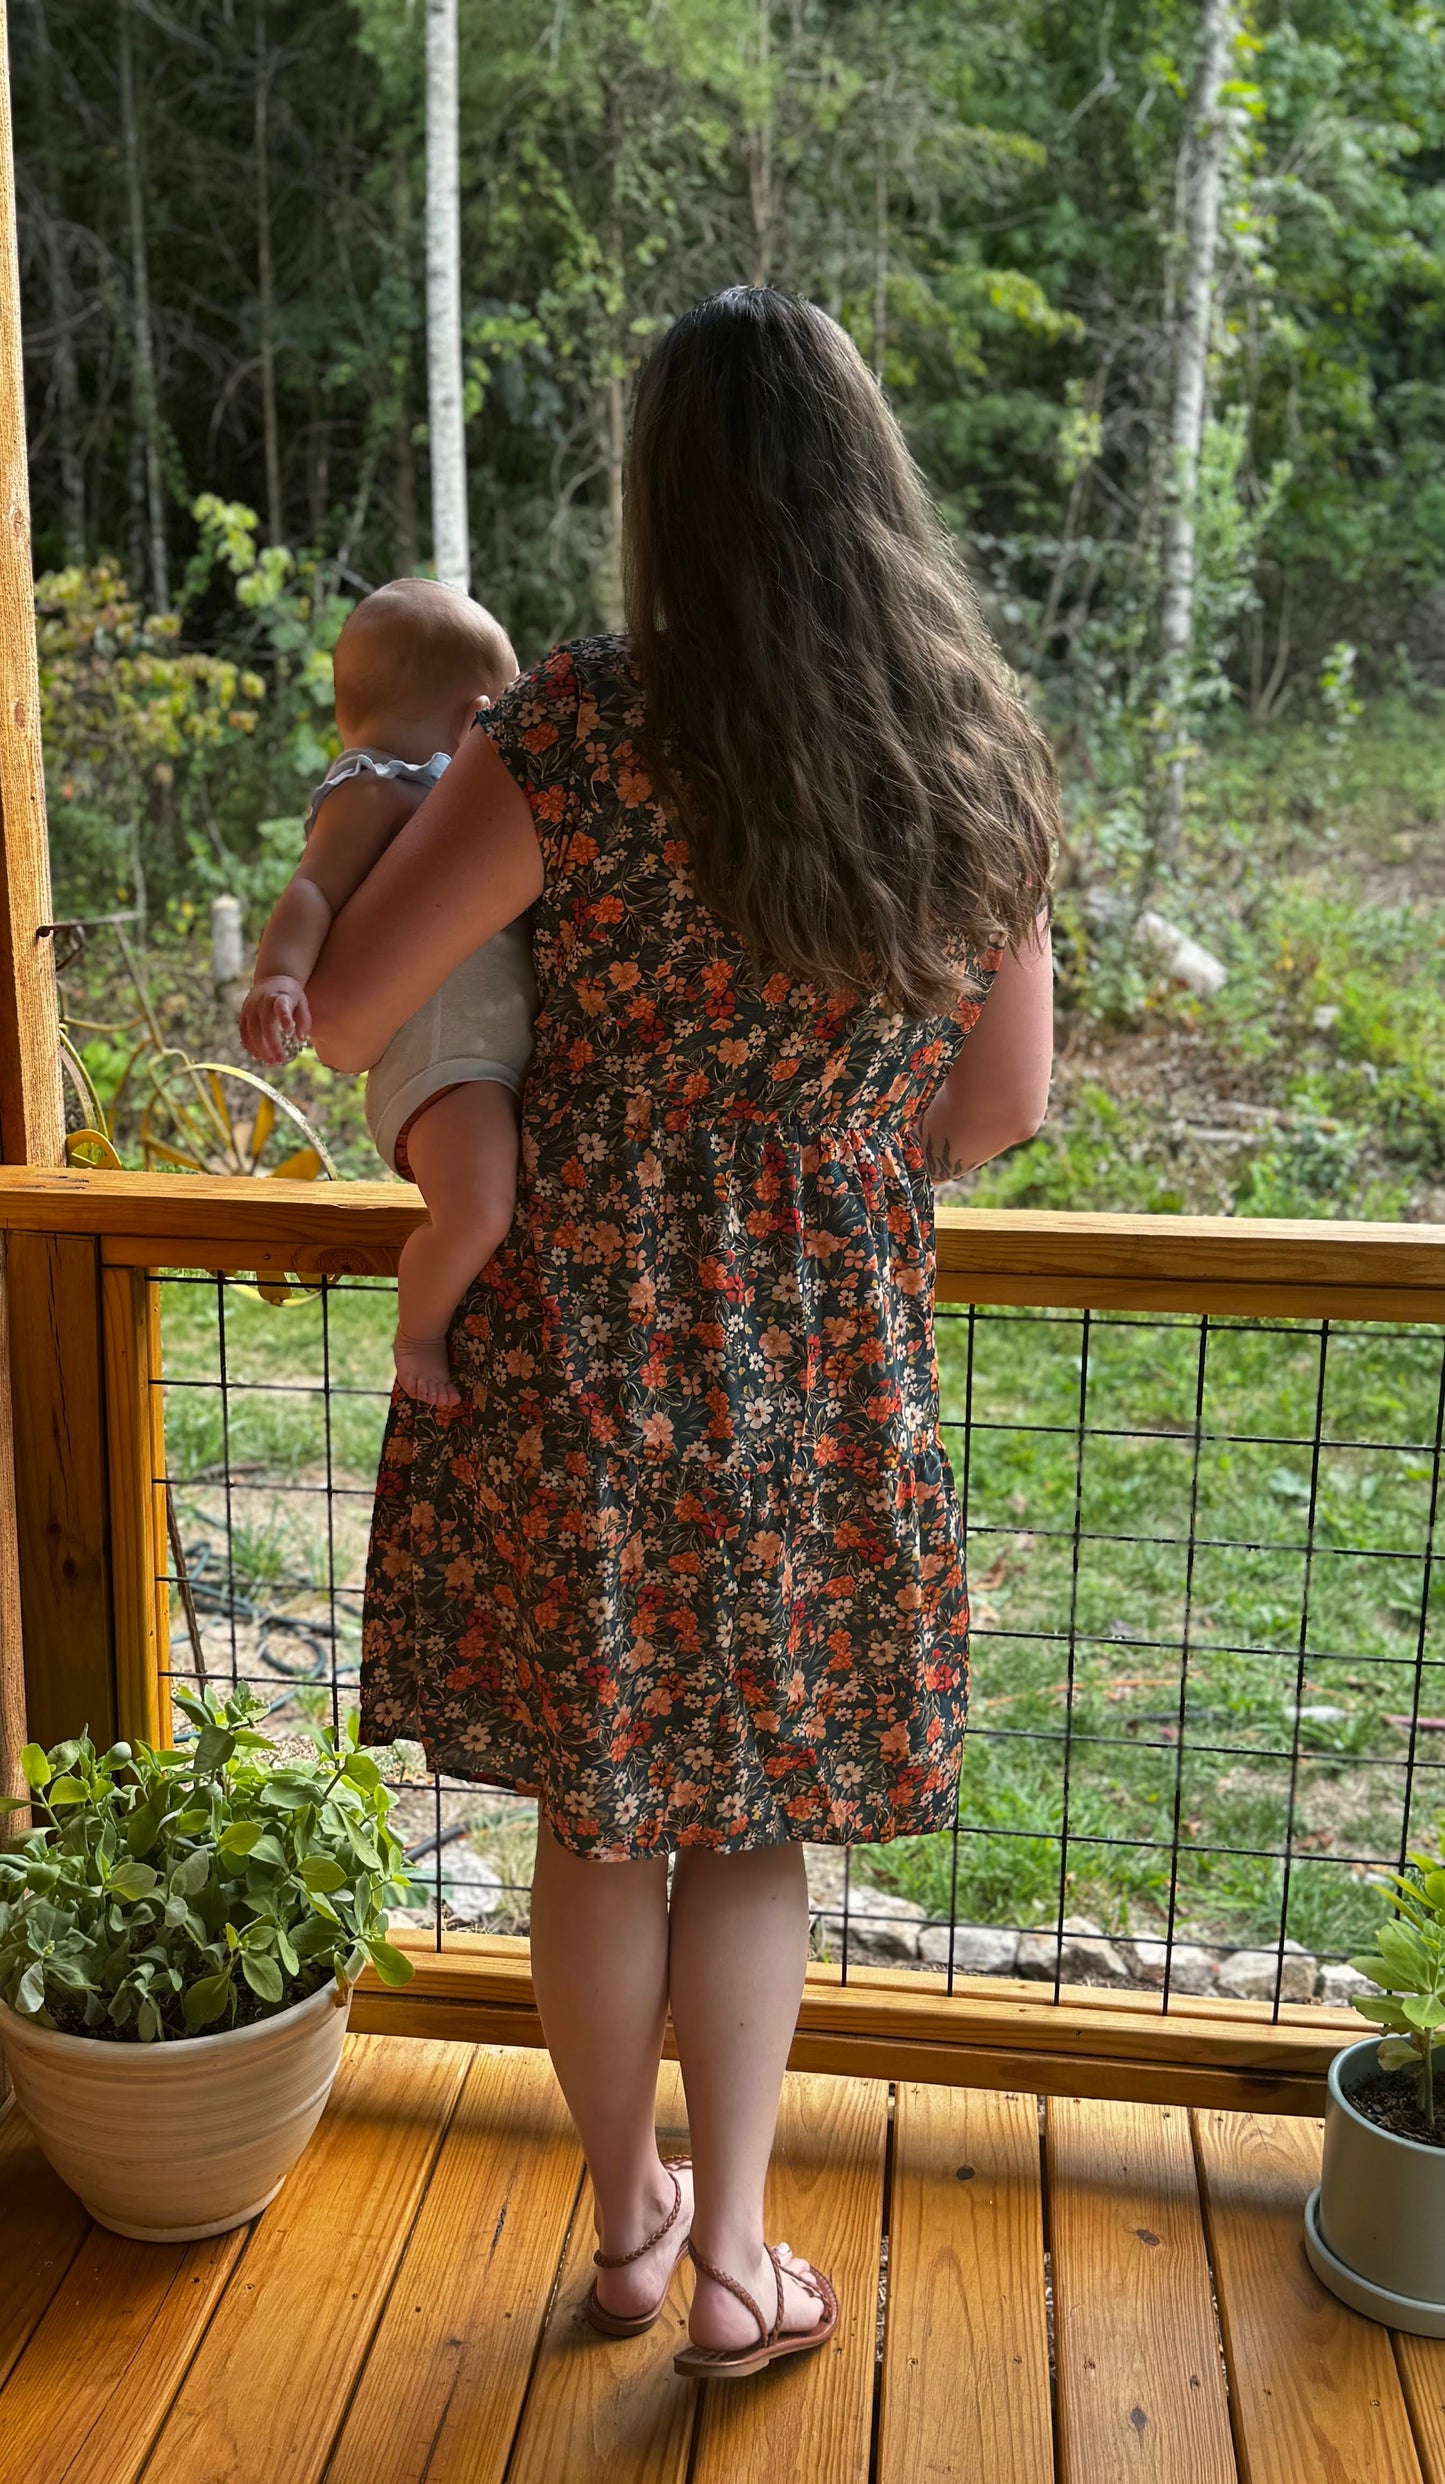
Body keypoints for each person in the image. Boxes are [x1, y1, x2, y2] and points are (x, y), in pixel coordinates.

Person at [308, 288, 1056, 2382]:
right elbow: (991, 1110)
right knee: (749, 1821)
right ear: (869, 482)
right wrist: (808, 1148)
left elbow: (357, 1015)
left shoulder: (574, 729)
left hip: (582, 1323)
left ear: (661, 494)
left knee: (602, 1811)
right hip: (820, 1339)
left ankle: (627, 2220)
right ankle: (733, 2258)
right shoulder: (971, 740)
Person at [238, 578, 534, 1407]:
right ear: (476, 716)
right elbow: (310, 892)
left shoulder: (449, 796)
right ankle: (419, 1335)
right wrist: (280, 977)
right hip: (447, 1061)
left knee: (500, 1202)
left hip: (484, 1049)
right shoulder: (379, 788)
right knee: (478, 1213)